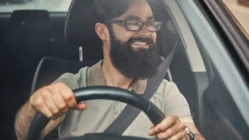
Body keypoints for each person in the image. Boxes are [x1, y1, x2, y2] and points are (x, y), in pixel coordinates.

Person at [14, 0, 205, 140]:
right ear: (102, 32)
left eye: (150, 23)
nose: (146, 32)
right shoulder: (71, 85)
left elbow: (191, 131)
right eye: (133, 23)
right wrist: (33, 107)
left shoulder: (166, 91)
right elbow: (23, 134)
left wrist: (186, 135)